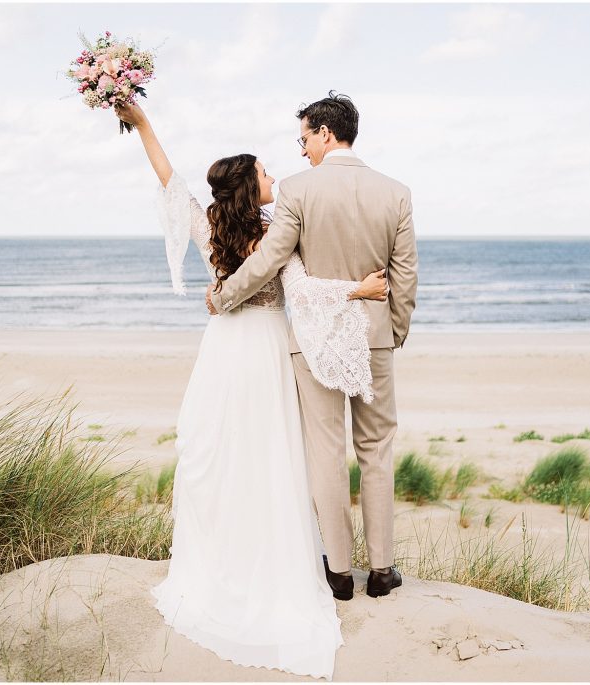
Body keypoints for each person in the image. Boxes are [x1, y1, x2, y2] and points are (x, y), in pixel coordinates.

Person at [113, 101, 388, 680]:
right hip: (261, 350)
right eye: (265, 172)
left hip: (224, 348)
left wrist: (144, 127)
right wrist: (359, 292)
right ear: (249, 187)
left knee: (224, 454)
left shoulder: (213, 226)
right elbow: (305, 291)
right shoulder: (273, 232)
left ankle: (228, 558)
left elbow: (169, 181)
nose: (274, 176)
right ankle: (259, 559)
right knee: (267, 456)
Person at [206, 91, 419, 601]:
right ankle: (383, 572)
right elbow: (406, 277)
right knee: (377, 452)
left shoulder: (297, 192)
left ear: (326, 132)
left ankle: (341, 574)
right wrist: (393, 331)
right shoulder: (396, 192)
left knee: (325, 454)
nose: (301, 151)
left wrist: (224, 295)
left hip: (314, 344)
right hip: (374, 338)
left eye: (304, 138)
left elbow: (269, 260)